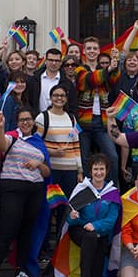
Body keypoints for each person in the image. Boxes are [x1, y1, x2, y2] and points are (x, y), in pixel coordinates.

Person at [0, 109, 50, 277]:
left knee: (26, 232)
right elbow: (2, 145)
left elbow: (46, 172)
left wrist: (39, 164)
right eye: (22, 120)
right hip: (12, 189)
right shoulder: (13, 137)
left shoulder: (39, 142)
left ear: (33, 122)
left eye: (28, 119)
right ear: (17, 123)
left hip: (34, 190)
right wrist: (0, 126)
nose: (25, 122)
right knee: (7, 230)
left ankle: (21, 271)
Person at [62, 153, 121, 277]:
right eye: (95, 169)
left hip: (101, 232)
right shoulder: (82, 189)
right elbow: (69, 219)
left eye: (102, 169)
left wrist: (95, 226)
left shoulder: (112, 193)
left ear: (107, 171)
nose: (99, 172)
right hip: (80, 230)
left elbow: (112, 219)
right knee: (90, 236)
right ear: (90, 171)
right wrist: (73, 216)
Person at [38, 84, 82, 232]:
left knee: (66, 210)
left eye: (62, 95)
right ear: (50, 98)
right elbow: (36, 145)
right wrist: (52, 152)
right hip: (52, 171)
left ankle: (59, 246)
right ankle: (44, 248)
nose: (59, 98)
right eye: (56, 95)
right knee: (48, 209)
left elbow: (76, 145)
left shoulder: (71, 118)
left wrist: (80, 170)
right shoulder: (42, 117)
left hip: (70, 171)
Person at [75, 39, 121, 185]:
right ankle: (88, 191)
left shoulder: (104, 69)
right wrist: (107, 70)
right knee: (84, 160)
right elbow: (89, 80)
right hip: (84, 122)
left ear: (99, 51)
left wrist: (115, 63)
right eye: (89, 48)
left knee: (112, 157)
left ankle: (112, 189)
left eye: (95, 48)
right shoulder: (79, 70)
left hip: (102, 122)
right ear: (84, 51)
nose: (92, 51)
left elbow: (114, 80)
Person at [26, 48, 76, 113]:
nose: (54, 63)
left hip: (59, 120)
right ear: (45, 61)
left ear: (61, 62)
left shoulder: (67, 83)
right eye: (51, 60)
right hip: (38, 120)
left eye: (57, 61)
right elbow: (28, 101)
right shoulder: (34, 80)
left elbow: (73, 105)